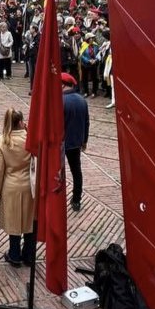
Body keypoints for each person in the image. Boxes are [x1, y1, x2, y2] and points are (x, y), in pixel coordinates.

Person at [0, 108, 35, 267]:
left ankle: (14, 254)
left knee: (14, 221)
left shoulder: (1, 141)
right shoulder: (31, 138)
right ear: (21, 121)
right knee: (30, 220)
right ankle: (29, 255)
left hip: (10, 185)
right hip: (29, 184)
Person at [59, 72, 89, 211]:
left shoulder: (60, 101)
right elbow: (86, 122)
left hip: (61, 143)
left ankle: (58, 199)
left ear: (63, 85)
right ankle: (76, 200)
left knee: (58, 172)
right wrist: (84, 141)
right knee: (77, 171)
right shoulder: (82, 100)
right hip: (76, 143)